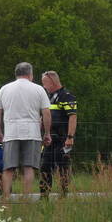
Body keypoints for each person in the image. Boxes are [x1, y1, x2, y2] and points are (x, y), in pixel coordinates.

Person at [0, 62, 51, 200]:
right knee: (28, 167)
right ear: (30, 74)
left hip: (11, 132)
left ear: (16, 73)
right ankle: (26, 199)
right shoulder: (38, 89)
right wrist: (47, 133)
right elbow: (46, 113)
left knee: (8, 168)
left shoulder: (5, 89)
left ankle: (6, 199)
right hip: (32, 132)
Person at [39, 70, 77, 198]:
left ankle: (63, 195)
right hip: (49, 139)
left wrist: (70, 137)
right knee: (45, 167)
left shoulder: (66, 96)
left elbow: (72, 117)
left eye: (45, 83)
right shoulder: (47, 97)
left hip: (63, 139)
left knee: (63, 168)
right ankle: (44, 196)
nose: (44, 86)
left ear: (52, 81)